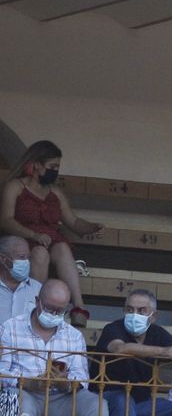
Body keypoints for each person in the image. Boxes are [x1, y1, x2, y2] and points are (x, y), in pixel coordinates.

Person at [1, 140, 104, 326]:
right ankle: (33, 306)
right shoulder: (15, 187)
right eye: (52, 166)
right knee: (40, 253)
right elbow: (6, 220)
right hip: (23, 242)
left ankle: (78, 307)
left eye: (57, 167)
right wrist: (33, 235)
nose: (55, 171)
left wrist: (91, 227)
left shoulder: (54, 192)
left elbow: (73, 221)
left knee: (63, 247)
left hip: (51, 242)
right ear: (36, 165)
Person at [0, 279, 98, 416]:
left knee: (96, 404)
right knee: (16, 399)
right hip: (24, 392)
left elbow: (82, 378)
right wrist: (28, 383)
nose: (53, 314)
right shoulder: (10, 328)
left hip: (62, 397)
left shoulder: (75, 336)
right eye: (49, 308)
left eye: (60, 311)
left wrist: (65, 383)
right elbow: (1, 372)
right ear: (37, 301)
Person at [96, 288, 172, 416]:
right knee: (124, 401)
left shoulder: (157, 332)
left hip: (142, 402)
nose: (134, 315)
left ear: (154, 316)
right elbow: (120, 348)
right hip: (108, 397)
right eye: (130, 310)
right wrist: (164, 351)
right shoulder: (113, 328)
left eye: (142, 311)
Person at [0, 234, 41, 322]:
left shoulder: (37, 288)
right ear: (3, 259)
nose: (26, 262)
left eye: (28, 258)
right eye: (21, 257)